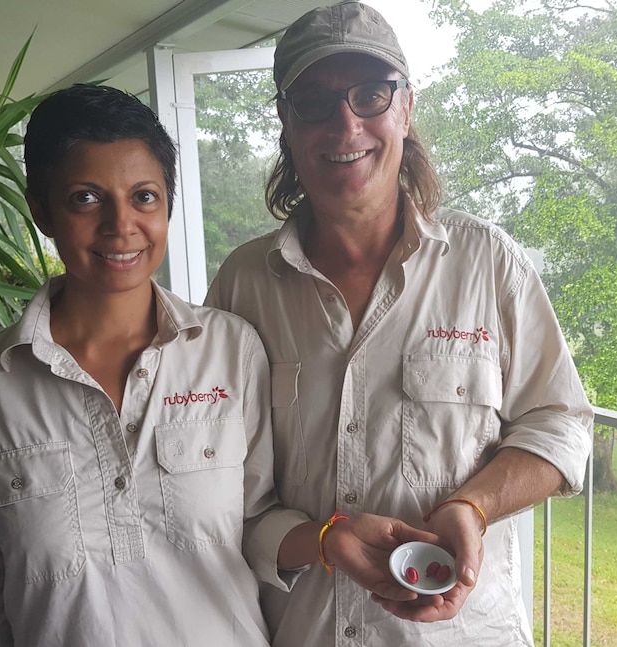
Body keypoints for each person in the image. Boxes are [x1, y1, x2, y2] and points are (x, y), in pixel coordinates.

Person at [204, 2, 595, 645]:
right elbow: (225, 494)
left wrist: (472, 506)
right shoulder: (245, 283)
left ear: (406, 110)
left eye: (370, 96)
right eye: (315, 102)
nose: (345, 124)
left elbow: (561, 424)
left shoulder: (486, 261)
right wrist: (327, 542)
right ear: (285, 121)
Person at [0, 84, 291, 646]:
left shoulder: (229, 349)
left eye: (144, 196)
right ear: (42, 210)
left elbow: (257, 523)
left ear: (169, 202)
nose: (121, 225)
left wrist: (325, 542)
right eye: (86, 198)